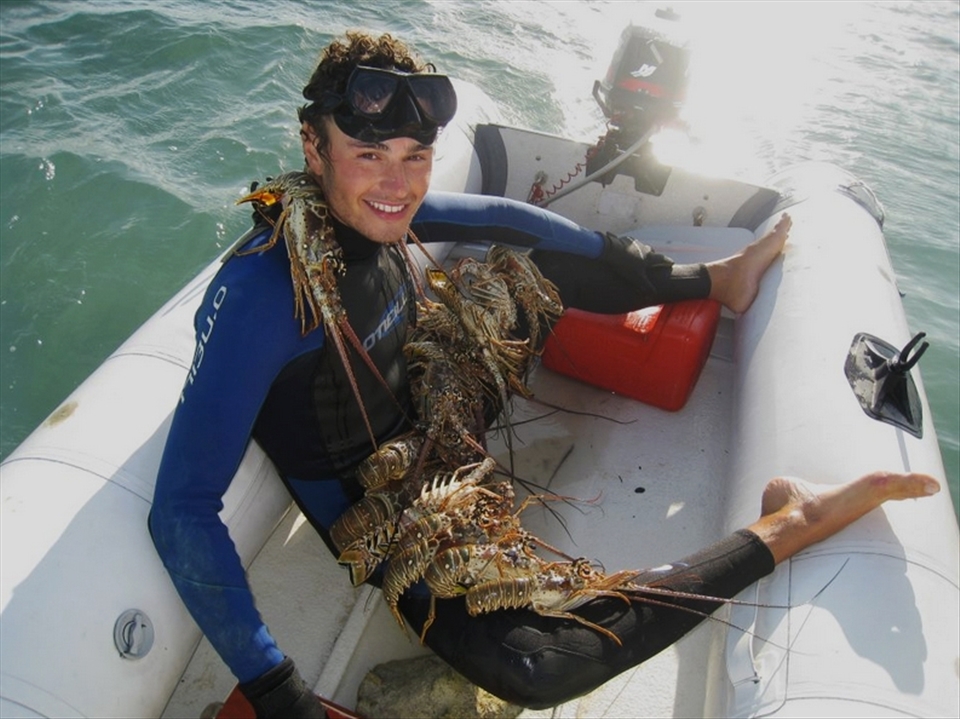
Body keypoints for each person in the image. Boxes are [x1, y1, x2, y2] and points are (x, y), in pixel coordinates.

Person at [148, 31, 941, 718]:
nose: (397, 184)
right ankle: (788, 524)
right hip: (385, 502)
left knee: (530, 274)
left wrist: (659, 270)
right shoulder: (261, 291)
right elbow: (181, 509)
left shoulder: (377, 211)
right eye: (367, 155)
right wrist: (276, 684)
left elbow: (512, 220)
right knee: (536, 667)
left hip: (437, 398)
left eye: (414, 157)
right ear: (313, 148)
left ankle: (723, 281)